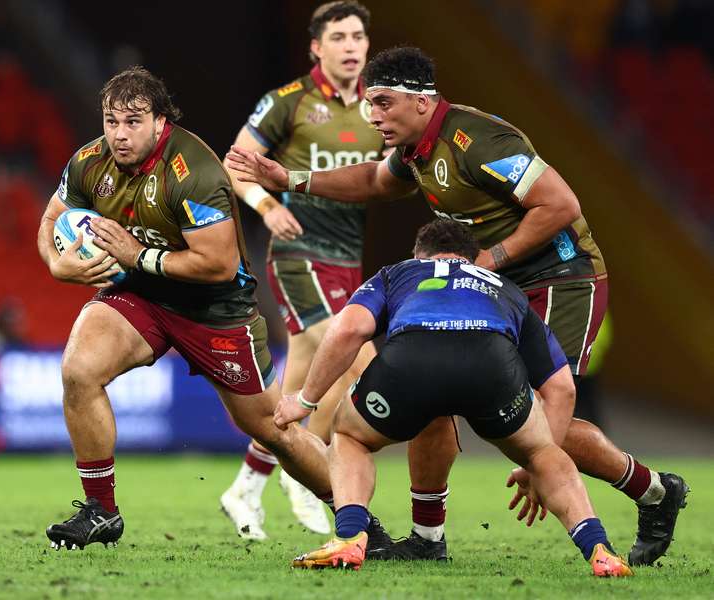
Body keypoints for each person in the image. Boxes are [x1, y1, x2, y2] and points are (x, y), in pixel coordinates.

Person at [226, 46, 688, 566]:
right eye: (369, 104)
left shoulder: (479, 141)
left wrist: (490, 260)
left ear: (422, 102)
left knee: (536, 419)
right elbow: (375, 180)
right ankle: (428, 538)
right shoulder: (415, 150)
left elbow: (561, 204)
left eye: (383, 102)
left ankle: (654, 491)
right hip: (497, 282)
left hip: (560, 279)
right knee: (435, 394)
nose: (373, 115)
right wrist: (292, 180)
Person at [36, 66, 358, 551]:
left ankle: (356, 517)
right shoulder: (89, 162)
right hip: (142, 296)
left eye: (133, 122)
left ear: (159, 122)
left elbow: (219, 265)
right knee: (79, 370)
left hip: (215, 309)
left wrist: (136, 255)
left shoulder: (194, 172)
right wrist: (56, 263)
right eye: (111, 121)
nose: (119, 134)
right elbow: (51, 218)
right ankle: (101, 510)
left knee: (273, 429)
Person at [274, 219, 632, 577]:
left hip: (413, 358)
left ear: (419, 254)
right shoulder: (505, 287)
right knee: (544, 452)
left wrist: (305, 400)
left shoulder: (398, 272)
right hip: (491, 365)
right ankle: (600, 550)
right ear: (472, 258)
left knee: (350, 435)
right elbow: (562, 388)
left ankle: (351, 537)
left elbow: (348, 329)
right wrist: (534, 462)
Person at [220, 0, 383, 540]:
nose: (351, 46)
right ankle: (311, 474)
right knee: (356, 359)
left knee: (301, 383)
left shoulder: (380, 107)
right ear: (316, 47)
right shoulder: (288, 102)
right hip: (298, 255)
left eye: (357, 36)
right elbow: (234, 164)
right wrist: (267, 207)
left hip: (349, 261)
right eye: (338, 37)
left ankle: (247, 485)